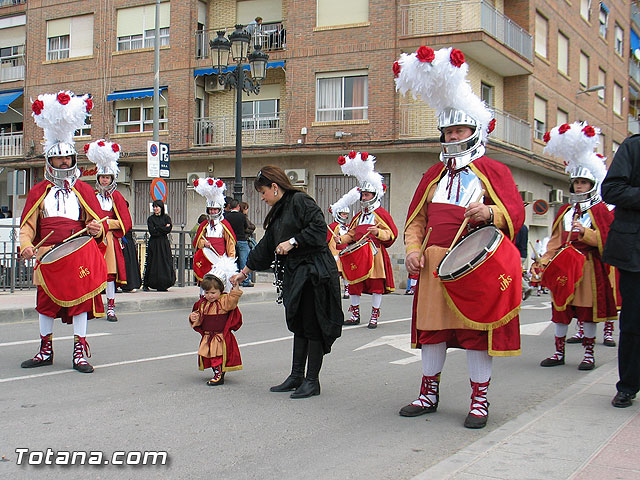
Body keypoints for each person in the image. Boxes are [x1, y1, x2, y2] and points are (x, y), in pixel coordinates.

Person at [395, 46, 525, 428]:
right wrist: (414, 250)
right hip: (436, 264)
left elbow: (515, 213)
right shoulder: (431, 175)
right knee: (432, 331)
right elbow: (415, 220)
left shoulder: (493, 170)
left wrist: (491, 213)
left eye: (459, 130)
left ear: (474, 131)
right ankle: (427, 393)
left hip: (476, 266)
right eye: (448, 130)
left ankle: (479, 401)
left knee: (473, 334)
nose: (453, 136)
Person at [230, 166, 343, 399]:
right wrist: (245, 271)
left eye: (263, 192)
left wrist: (293, 241)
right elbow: (266, 245)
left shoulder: (301, 200)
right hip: (297, 273)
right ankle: (296, 376)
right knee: (299, 324)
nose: (262, 197)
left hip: (314, 272)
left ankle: (312, 381)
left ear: (275, 187)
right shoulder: (280, 210)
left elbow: (320, 229)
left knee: (312, 325)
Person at [20, 91, 105, 373]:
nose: (64, 164)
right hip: (47, 256)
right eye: (59, 161)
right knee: (45, 304)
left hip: (77, 254)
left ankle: (79, 352)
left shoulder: (83, 190)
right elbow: (28, 226)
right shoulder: (38, 191)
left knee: (80, 304)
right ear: (50, 162)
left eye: (68, 159)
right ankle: (45, 349)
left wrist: (96, 230)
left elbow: (98, 225)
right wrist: (26, 245)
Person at [538, 123, 617, 372]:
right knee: (560, 310)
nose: (579, 186)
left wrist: (588, 233)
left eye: (584, 182)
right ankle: (558, 352)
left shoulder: (600, 210)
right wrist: (544, 260)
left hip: (589, 268)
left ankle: (588, 354)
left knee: (586, 311)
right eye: (576, 182)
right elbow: (554, 240)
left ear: (592, 184)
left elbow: (609, 239)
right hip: (563, 266)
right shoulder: (564, 210)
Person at [335, 152, 398, 329]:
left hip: (374, 255)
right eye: (362, 195)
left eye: (367, 195)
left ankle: (374, 316)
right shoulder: (358, 216)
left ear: (375, 195)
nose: (364, 198)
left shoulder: (381, 215)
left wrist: (378, 232)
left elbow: (391, 234)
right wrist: (341, 238)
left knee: (376, 285)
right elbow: (352, 234)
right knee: (354, 285)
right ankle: (354, 314)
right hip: (358, 255)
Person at [601, 133, 640, 408]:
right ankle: (628, 385)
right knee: (634, 323)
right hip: (635, 251)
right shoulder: (633, 146)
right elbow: (612, 189)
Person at [86, 139, 132, 321]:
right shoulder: (91, 197)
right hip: (94, 240)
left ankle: (111, 307)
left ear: (112, 178)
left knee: (110, 275)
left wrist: (107, 225)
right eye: (102, 177)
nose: (104, 180)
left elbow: (125, 222)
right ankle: (93, 305)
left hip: (110, 240)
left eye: (107, 177)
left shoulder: (117, 197)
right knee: (92, 273)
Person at [189, 258, 242, 386]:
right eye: (207, 292)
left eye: (213, 292)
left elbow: (233, 300)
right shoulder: (203, 303)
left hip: (220, 336)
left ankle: (219, 375)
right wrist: (194, 317)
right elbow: (199, 314)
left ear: (220, 291)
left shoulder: (224, 301)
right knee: (210, 355)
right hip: (208, 335)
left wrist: (235, 287)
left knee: (218, 355)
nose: (210, 295)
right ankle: (217, 372)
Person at [191, 178, 236, 291]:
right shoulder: (204, 225)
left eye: (215, 209)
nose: (213, 212)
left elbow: (230, 244)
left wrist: (230, 261)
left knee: (219, 285)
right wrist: (203, 243)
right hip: (206, 259)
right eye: (210, 209)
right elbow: (197, 241)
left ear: (219, 209)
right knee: (205, 283)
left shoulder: (224, 225)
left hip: (220, 259)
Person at [328, 188, 359, 300]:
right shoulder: (333, 227)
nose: (345, 216)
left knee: (347, 273)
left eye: (346, 214)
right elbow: (331, 242)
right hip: (337, 253)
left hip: (346, 252)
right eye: (343, 214)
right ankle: (334, 290)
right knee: (336, 273)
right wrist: (334, 254)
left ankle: (347, 290)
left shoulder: (347, 227)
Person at [143, 199, 176, 291]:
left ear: (161, 208)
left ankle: (164, 283)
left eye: (157, 207)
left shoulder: (166, 217)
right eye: (154, 207)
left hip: (164, 243)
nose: (155, 209)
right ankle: (147, 283)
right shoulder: (151, 219)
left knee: (165, 262)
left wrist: (158, 228)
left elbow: (168, 229)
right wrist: (163, 227)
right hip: (154, 243)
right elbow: (152, 232)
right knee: (151, 261)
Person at [225, 198, 253, 287]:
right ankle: (246, 280)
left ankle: (234, 279)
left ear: (230, 206)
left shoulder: (227, 217)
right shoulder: (242, 216)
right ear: (238, 206)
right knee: (244, 260)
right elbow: (246, 226)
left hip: (231, 240)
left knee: (233, 259)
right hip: (241, 239)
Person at [240, 201, 257, 284]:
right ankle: (246, 279)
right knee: (245, 259)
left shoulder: (244, 217)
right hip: (243, 240)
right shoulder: (243, 218)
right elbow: (250, 227)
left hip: (241, 239)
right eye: (246, 209)